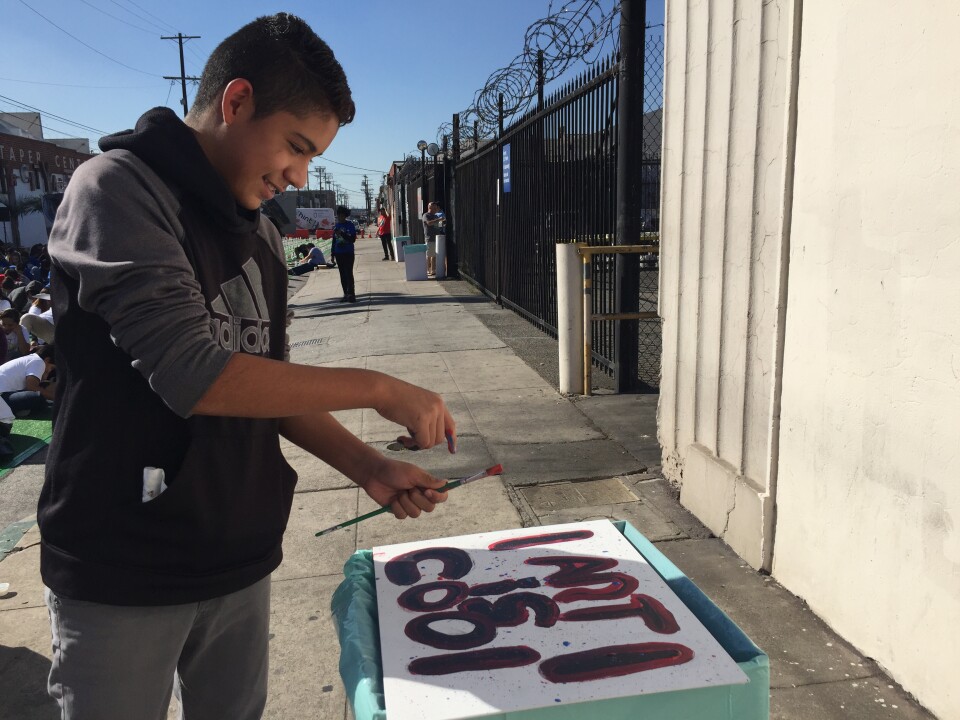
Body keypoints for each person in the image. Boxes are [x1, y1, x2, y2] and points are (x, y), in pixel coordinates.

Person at [37, 14, 455, 720]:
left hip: (236, 552)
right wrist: (379, 389)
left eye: (312, 155)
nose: (298, 173)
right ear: (235, 103)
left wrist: (369, 467)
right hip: (123, 561)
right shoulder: (115, 189)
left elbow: (268, 382)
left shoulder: (261, 231)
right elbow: (196, 372)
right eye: (295, 146)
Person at [332, 205, 357, 301]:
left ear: (345, 216)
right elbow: (334, 241)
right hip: (339, 253)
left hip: (348, 252)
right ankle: (345, 294)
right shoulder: (336, 226)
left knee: (348, 273)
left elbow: (352, 239)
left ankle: (351, 294)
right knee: (342, 274)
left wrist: (341, 233)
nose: (340, 217)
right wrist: (332, 254)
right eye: (338, 216)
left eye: (341, 216)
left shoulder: (350, 225)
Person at [421, 201, 445, 276]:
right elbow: (429, 223)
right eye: (434, 208)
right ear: (430, 208)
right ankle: (428, 269)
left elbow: (439, 225)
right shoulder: (426, 215)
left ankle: (433, 270)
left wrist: (442, 222)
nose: (435, 209)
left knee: (434, 255)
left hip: (437, 238)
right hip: (430, 238)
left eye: (436, 208)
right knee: (429, 255)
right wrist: (438, 220)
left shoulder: (436, 216)